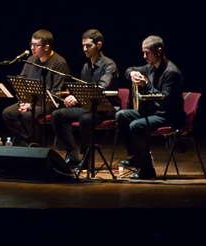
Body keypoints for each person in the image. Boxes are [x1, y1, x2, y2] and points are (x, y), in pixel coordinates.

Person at [49, 29, 120, 168]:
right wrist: (73, 96)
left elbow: (102, 88)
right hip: (89, 108)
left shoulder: (109, 64)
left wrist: (79, 97)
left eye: (88, 46)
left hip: (106, 109)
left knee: (85, 118)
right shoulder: (85, 67)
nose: (84, 49)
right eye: (83, 45)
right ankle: (73, 156)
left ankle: (87, 160)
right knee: (57, 115)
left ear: (99, 45)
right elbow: (83, 89)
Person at [117, 35, 184, 180]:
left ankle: (147, 170)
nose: (144, 56)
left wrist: (146, 85)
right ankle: (135, 157)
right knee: (121, 115)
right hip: (154, 112)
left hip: (169, 115)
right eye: (143, 52)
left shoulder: (171, 72)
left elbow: (164, 100)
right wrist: (132, 73)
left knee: (136, 125)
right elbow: (129, 69)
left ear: (159, 51)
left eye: (147, 53)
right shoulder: (150, 68)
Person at [2, 29, 71, 147]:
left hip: (48, 104)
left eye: (36, 45)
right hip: (30, 101)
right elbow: (21, 83)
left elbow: (56, 93)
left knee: (28, 114)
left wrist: (31, 105)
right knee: (7, 113)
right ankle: (27, 144)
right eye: (31, 44)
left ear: (46, 47)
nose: (32, 48)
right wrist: (24, 101)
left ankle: (37, 145)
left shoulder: (59, 63)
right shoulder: (31, 60)